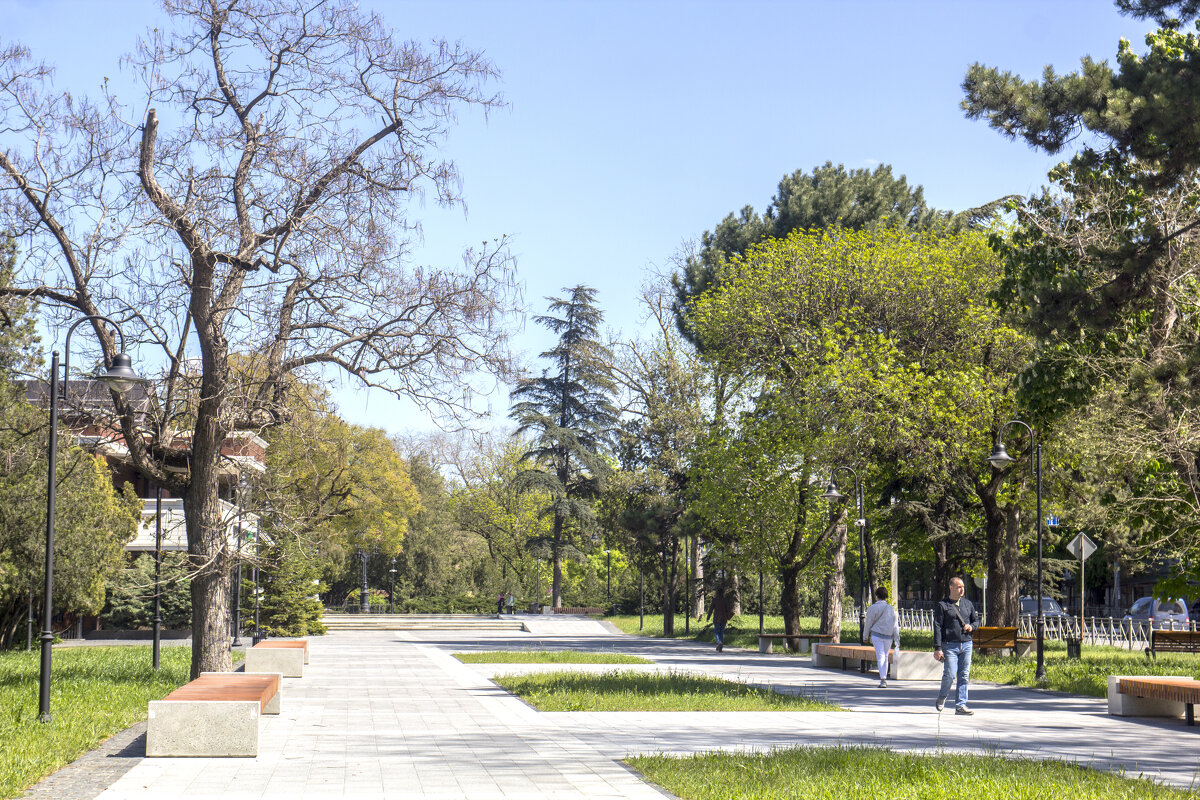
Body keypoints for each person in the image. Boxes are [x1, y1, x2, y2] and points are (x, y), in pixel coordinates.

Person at [933, 576, 979, 715]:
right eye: (959, 587)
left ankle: (960, 705)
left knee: (964, 675)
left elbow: (976, 621)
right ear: (951, 587)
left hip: (966, 644)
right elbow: (937, 627)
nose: (962, 590)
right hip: (949, 645)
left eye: (963, 587)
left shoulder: (968, 604)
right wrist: (938, 648)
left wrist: (971, 627)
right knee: (950, 674)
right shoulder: (943, 605)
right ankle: (942, 697)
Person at [863, 586, 900, 688]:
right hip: (888, 636)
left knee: (880, 656)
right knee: (886, 657)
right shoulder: (891, 608)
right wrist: (897, 639)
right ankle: (884, 678)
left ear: (877, 596)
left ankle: (883, 679)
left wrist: (865, 636)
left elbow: (868, 623)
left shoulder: (872, 608)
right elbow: (895, 624)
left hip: (877, 634)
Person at [706, 585, 733, 652]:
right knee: (721, 632)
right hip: (724, 618)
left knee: (716, 632)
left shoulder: (715, 600)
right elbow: (727, 609)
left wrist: (708, 617)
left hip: (717, 618)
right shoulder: (724, 600)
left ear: (717, 593)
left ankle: (719, 642)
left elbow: (711, 609)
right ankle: (720, 646)